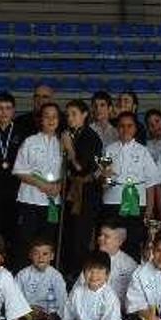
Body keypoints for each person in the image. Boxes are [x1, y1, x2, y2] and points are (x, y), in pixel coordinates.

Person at [99, 112, 161, 261]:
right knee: (110, 242)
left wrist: (149, 209)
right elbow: (103, 181)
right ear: (117, 129)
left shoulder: (143, 151)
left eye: (129, 126)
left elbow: (151, 182)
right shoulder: (109, 149)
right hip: (112, 202)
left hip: (136, 203)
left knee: (132, 242)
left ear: (135, 129)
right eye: (121, 126)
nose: (125, 129)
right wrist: (105, 178)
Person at [12, 102, 63, 269]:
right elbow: (19, 170)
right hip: (29, 201)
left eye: (54, 116)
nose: (51, 120)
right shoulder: (30, 142)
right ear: (40, 120)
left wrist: (58, 186)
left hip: (51, 203)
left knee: (47, 244)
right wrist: (41, 184)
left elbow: (65, 173)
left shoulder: (62, 143)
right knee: (27, 244)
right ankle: (22, 279)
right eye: (47, 116)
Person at [50, 250, 125, 320]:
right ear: (83, 272)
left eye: (99, 270)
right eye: (90, 270)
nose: (94, 275)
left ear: (107, 275)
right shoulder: (77, 292)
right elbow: (68, 317)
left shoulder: (110, 296)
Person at [59, 99, 103, 279]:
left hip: (85, 191)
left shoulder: (91, 137)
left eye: (74, 114)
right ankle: (65, 271)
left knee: (81, 235)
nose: (70, 118)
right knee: (67, 232)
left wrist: (69, 149)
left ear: (85, 115)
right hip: (68, 189)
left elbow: (81, 167)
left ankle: (78, 275)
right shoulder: (67, 133)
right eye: (68, 114)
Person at [0, 92, 25, 266]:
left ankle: (12, 268)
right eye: (0, 108)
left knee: (14, 232)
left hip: (15, 190)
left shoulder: (22, 134)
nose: (4, 112)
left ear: (13, 111)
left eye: (8, 108)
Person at [74, 222, 138, 312]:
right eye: (100, 235)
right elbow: (78, 288)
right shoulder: (92, 259)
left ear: (119, 241)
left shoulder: (129, 265)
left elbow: (133, 300)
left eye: (106, 236)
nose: (100, 238)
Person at [15, 238, 67, 320]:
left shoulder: (56, 276)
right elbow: (15, 299)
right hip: (28, 317)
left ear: (52, 256)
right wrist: (28, 310)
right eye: (36, 254)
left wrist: (49, 314)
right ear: (30, 255)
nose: (40, 257)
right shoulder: (22, 275)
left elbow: (62, 301)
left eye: (45, 254)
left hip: (48, 318)